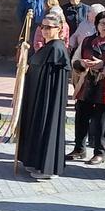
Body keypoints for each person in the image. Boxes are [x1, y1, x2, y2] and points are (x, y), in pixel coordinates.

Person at [16, 13, 70, 180]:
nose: (45, 30)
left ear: (59, 29)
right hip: (38, 96)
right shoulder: (47, 47)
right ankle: (34, 161)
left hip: (48, 99)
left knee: (46, 127)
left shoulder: (57, 48)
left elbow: (51, 77)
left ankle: (46, 168)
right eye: (43, 27)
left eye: (49, 27)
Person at [69, 11, 105, 165]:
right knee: (81, 118)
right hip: (86, 84)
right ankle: (79, 149)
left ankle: (99, 153)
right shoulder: (87, 41)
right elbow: (75, 60)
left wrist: (103, 65)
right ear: (97, 25)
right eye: (102, 23)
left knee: (101, 122)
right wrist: (82, 64)